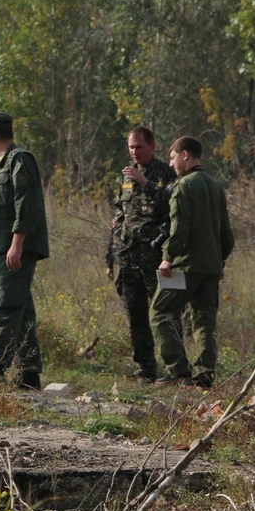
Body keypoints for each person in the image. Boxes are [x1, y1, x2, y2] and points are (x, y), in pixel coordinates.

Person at [150, 136, 234, 388]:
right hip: (210, 267)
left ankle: (177, 369)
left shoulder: (184, 186)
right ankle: (204, 375)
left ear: (185, 155)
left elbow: (180, 228)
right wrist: (218, 261)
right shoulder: (215, 186)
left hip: (185, 266)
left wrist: (167, 258)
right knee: (204, 320)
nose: (172, 164)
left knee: (160, 311)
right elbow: (226, 234)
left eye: (173, 158)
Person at [0, 111, 49, 390]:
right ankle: (29, 375)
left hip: (14, 249)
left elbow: (26, 203)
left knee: (6, 308)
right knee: (22, 311)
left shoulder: (19, 160)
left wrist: (17, 244)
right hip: (1, 251)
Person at [105, 126, 177, 381]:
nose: (134, 151)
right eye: (131, 147)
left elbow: (172, 208)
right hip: (127, 256)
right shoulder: (124, 176)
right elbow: (118, 217)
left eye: (139, 146)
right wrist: (110, 256)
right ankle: (145, 368)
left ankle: (174, 368)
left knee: (164, 315)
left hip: (155, 258)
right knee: (135, 315)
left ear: (152, 146)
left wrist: (145, 183)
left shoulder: (167, 174)